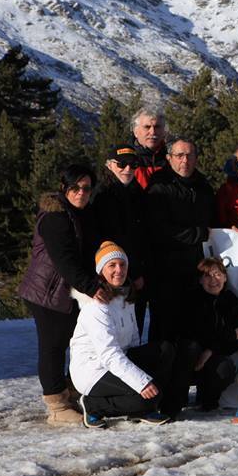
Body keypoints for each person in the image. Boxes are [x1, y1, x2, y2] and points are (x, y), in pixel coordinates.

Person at [18, 165, 101, 424]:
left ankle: (70, 392)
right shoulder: (56, 216)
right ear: (64, 188)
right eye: (74, 187)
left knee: (72, 342)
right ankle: (56, 405)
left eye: (86, 188)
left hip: (65, 292)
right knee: (53, 346)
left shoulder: (79, 213)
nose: (80, 193)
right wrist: (92, 287)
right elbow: (65, 261)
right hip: (48, 292)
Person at [69, 241, 175, 427]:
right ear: (101, 270)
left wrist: (145, 375)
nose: (119, 270)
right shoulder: (96, 308)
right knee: (146, 396)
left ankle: (143, 408)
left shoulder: (125, 297)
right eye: (112, 265)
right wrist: (141, 382)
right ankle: (93, 405)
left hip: (118, 361)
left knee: (165, 349)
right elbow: (109, 355)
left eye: (122, 264)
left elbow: (133, 341)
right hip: (93, 371)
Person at [147, 138, 215, 342]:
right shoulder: (159, 185)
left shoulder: (203, 185)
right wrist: (199, 234)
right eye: (179, 155)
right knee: (166, 336)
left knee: (194, 332)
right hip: (166, 272)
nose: (184, 160)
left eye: (189, 155)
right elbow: (159, 229)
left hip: (198, 270)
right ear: (169, 158)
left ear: (196, 158)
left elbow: (213, 221)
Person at [92, 144, 152, 336]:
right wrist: (132, 272)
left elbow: (142, 235)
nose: (127, 169)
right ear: (109, 165)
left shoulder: (137, 193)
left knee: (134, 330)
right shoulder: (102, 195)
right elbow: (113, 238)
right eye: (122, 164)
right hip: (114, 275)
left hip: (136, 273)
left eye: (133, 164)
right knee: (113, 333)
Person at [180, 258, 238, 411]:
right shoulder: (191, 300)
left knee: (225, 369)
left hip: (212, 357)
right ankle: (177, 400)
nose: (213, 280)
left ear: (225, 277)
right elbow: (196, 333)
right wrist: (230, 334)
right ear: (200, 280)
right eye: (207, 276)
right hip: (189, 360)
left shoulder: (231, 301)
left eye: (217, 274)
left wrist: (210, 351)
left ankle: (208, 398)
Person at [130, 107, 168, 190]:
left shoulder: (174, 157)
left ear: (164, 131)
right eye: (147, 127)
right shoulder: (125, 160)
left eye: (157, 127)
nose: (152, 132)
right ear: (135, 132)